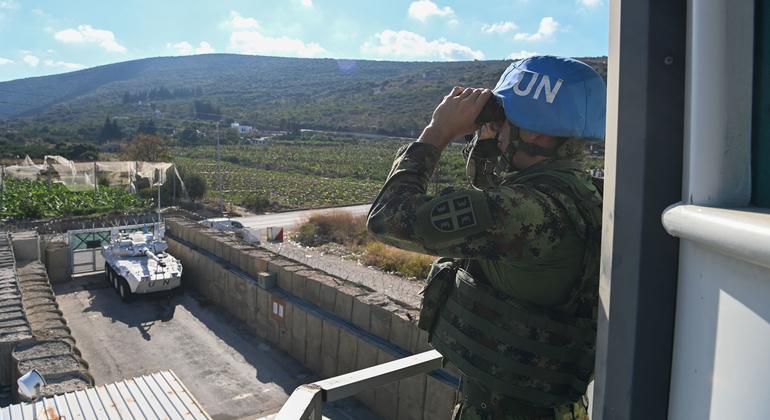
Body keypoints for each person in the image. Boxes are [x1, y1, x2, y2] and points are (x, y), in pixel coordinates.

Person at [367, 55, 606, 420]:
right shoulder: (583, 194)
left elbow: (388, 219)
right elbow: (496, 196)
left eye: (505, 118)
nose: (497, 125)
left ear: (537, 133)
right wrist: (492, 140)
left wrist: (437, 131)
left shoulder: (527, 210)